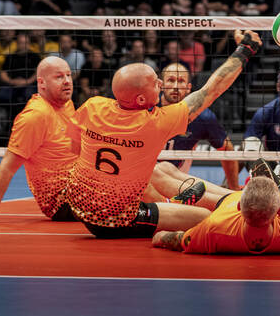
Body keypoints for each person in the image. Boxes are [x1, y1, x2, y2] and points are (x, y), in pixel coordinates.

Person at [65, 30, 261, 239]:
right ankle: (181, 224)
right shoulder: (155, 123)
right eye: (155, 82)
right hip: (113, 218)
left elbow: (74, 148)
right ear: (140, 100)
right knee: (203, 216)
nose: (161, 84)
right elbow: (211, 90)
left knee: (162, 168)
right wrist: (245, 50)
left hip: (78, 202)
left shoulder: (93, 105)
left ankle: (234, 198)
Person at [0, 58, 80, 223]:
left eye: (69, 75)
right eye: (59, 77)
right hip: (62, 202)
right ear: (42, 83)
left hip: (80, 185)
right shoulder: (35, 116)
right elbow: (7, 168)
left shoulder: (66, 104)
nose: (67, 81)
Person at [151, 177, 280, 254]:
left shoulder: (213, 228)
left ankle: (277, 185)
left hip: (226, 201)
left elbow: (176, 240)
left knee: (164, 173)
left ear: (240, 207)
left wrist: (159, 237)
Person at [158, 63, 239, 189]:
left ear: (189, 87)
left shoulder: (202, 117)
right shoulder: (147, 107)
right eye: (171, 80)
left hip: (176, 183)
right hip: (144, 178)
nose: (175, 87)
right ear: (161, 85)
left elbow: (227, 149)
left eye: (181, 81)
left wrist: (233, 187)